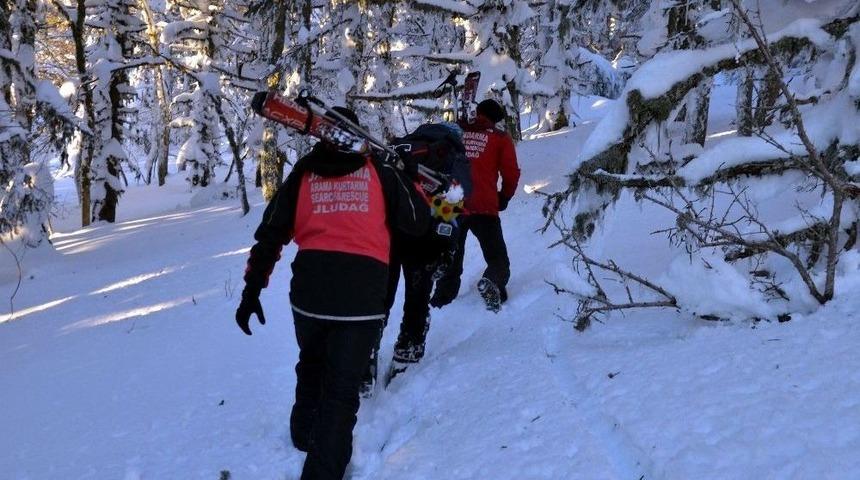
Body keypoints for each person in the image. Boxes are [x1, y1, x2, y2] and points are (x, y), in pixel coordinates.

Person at [235, 107, 429, 480]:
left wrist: (252, 289)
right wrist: (407, 177)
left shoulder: (304, 173)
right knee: (341, 394)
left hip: (309, 295)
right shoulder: (381, 171)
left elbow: (271, 232)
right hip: (360, 297)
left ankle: (304, 433)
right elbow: (417, 223)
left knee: (311, 364)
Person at [430, 99, 520, 312]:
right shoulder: (499, 138)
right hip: (483, 203)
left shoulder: (454, 131)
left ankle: (441, 302)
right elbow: (511, 172)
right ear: (496, 120)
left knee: (450, 255)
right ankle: (492, 281)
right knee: (498, 258)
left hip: (448, 202)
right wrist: (504, 197)